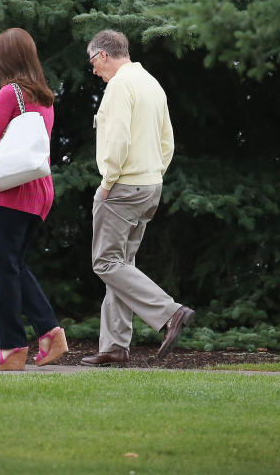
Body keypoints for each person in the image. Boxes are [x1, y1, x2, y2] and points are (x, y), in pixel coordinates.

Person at [80, 29, 194, 367]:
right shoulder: (151, 83)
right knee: (121, 266)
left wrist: (107, 181)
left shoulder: (119, 86)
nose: (94, 70)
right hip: (149, 186)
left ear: (102, 55)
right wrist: (154, 176)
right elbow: (167, 142)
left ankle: (170, 312)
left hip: (122, 186)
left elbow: (117, 140)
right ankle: (114, 346)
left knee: (104, 262)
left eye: (92, 62)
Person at [0, 28, 68, 371]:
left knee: (3, 268)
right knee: (14, 264)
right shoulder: (45, 96)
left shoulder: (10, 92)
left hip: (12, 191)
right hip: (40, 189)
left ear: (4, 59)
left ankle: (13, 347)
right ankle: (49, 331)